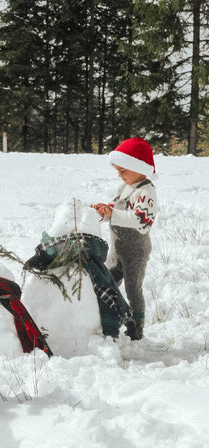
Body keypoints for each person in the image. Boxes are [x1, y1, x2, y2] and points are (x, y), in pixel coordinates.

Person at [91, 137, 157, 340]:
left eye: (123, 171)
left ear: (138, 167)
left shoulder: (146, 192)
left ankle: (136, 327)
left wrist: (112, 214)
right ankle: (107, 318)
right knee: (108, 280)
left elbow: (141, 220)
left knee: (132, 287)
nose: (120, 176)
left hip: (136, 250)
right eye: (118, 171)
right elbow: (115, 208)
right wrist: (102, 212)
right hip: (118, 247)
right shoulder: (124, 188)